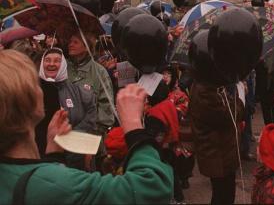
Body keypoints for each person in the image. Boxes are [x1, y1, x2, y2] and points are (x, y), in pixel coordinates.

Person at [0, 49, 173, 204]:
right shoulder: (55, 186)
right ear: (29, 101)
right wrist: (134, 126)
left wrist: (53, 158)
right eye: (35, 83)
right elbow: (153, 189)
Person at [35, 47, 96, 170]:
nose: (52, 64)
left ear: (63, 64)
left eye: (57, 61)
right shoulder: (32, 90)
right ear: (42, 64)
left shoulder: (77, 91)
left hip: (73, 156)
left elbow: (91, 113)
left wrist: (72, 137)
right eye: (47, 60)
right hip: (39, 154)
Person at [190, 75, 244, 205]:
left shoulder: (209, 85)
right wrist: (240, 99)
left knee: (224, 194)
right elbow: (228, 116)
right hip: (217, 154)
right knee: (223, 196)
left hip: (221, 152)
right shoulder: (204, 91)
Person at [65, 33, 115, 136]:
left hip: (91, 134)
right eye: (70, 42)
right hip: (65, 131)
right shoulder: (62, 67)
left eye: (75, 42)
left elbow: (106, 105)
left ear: (87, 47)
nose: (70, 44)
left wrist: (96, 130)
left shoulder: (99, 72)